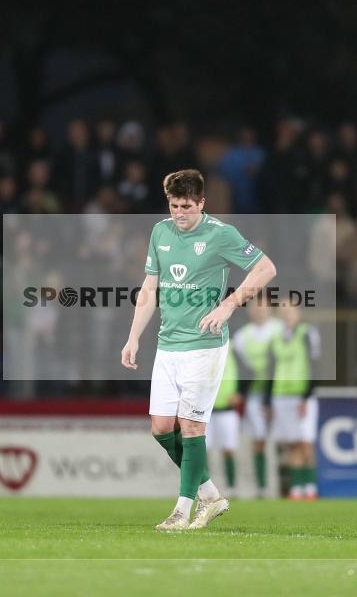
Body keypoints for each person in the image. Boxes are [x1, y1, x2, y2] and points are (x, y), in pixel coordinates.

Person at [121, 169, 277, 531]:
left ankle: (181, 511)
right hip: (168, 344)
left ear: (201, 203)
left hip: (205, 345)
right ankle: (210, 494)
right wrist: (133, 337)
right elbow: (149, 288)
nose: (179, 213)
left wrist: (228, 305)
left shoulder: (221, 234)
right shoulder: (160, 232)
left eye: (187, 207)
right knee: (162, 429)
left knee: (191, 427)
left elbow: (266, 268)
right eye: (174, 206)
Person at [264, 299, 321, 500]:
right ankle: (297, 488)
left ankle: (310, 487)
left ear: (298, 313)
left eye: (290, 311)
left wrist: (307, 396)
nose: (287, 314)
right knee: (291, 442)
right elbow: (271, 370)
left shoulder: (307, 333)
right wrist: (267, 401)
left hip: (301, 396)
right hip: (281, 396)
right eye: (283, 311)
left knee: (305, 441)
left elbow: (315, 365)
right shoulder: (275, 338)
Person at [232, 297, 282, 498]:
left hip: (281, 391)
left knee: (288, 439)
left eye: (263, 307)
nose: (260, 310)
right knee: (259, 438)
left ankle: (294, 486)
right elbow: (240, 369)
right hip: (255, 394)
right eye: (255, 307)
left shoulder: (280, 330)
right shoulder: (242, 336)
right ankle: (262, 486)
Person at [205, 348, 243, 496]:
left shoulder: (233, 349)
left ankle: (231, 487)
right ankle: (206, 489)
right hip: (206, 410)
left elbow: (249, 371)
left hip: (227, 410)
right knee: (203, 451)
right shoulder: (201, 347)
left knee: (228, 449)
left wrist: (241, 393)